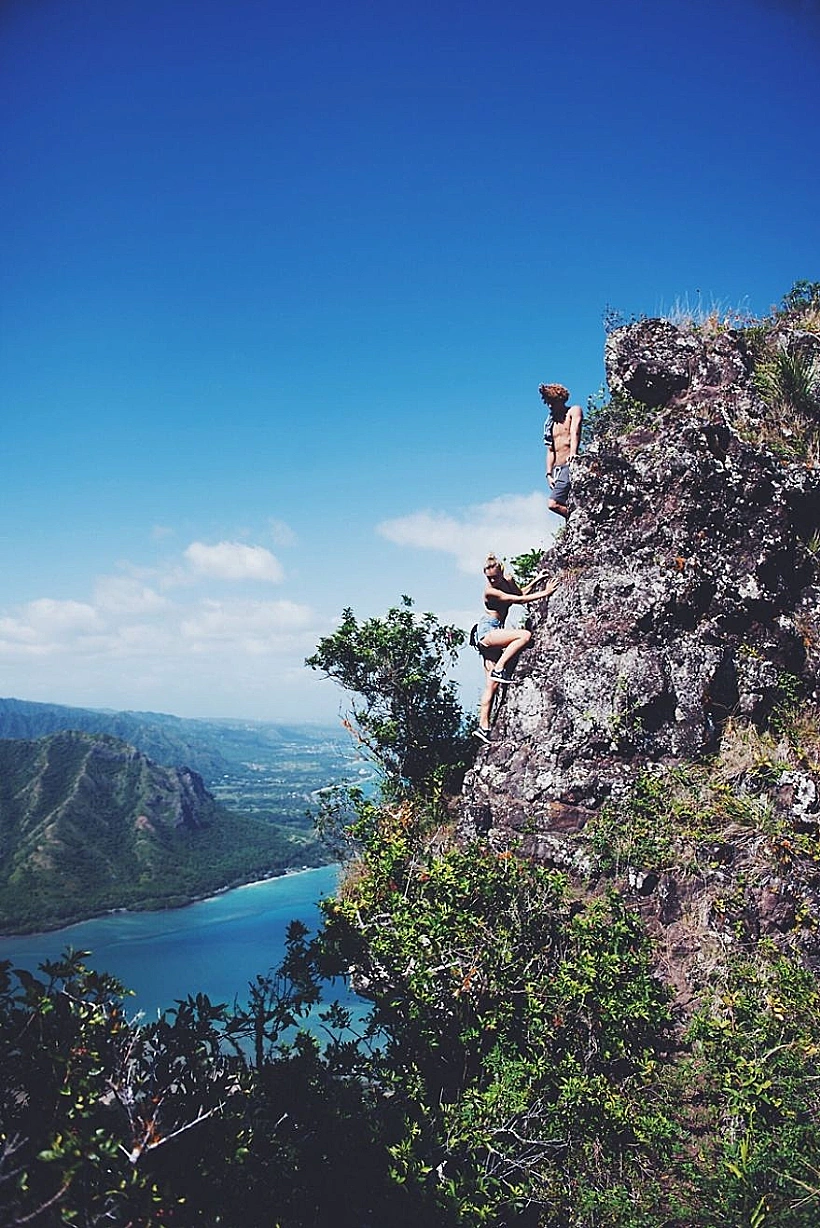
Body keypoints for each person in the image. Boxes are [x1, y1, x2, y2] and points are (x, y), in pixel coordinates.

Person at [473, 554, 559, 744]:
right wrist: (546, 592)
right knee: (524, 635)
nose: (493, 581)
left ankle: (483, 727)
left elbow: (519, 594)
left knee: (492, 685)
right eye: (489, 578)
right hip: (487, 631)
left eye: (495, 577)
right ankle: (500, 668)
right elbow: (518, 601)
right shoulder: (490, 592)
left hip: (495, 630)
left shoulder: (507, 581)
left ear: (501, 572)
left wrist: (536, 581)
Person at [540, 382, 583, 518]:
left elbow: (575, 432)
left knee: (553, 503)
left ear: (560, 400)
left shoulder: (573, 411)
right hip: (558, 470)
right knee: (568, 502)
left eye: (552, 402)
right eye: (548, 403)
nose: (550, 406)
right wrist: (549, 474)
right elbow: (550, 450)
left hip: (568, 465)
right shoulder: (550, 423)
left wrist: (573, 454)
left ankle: (578, 519)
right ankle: (574, 525)